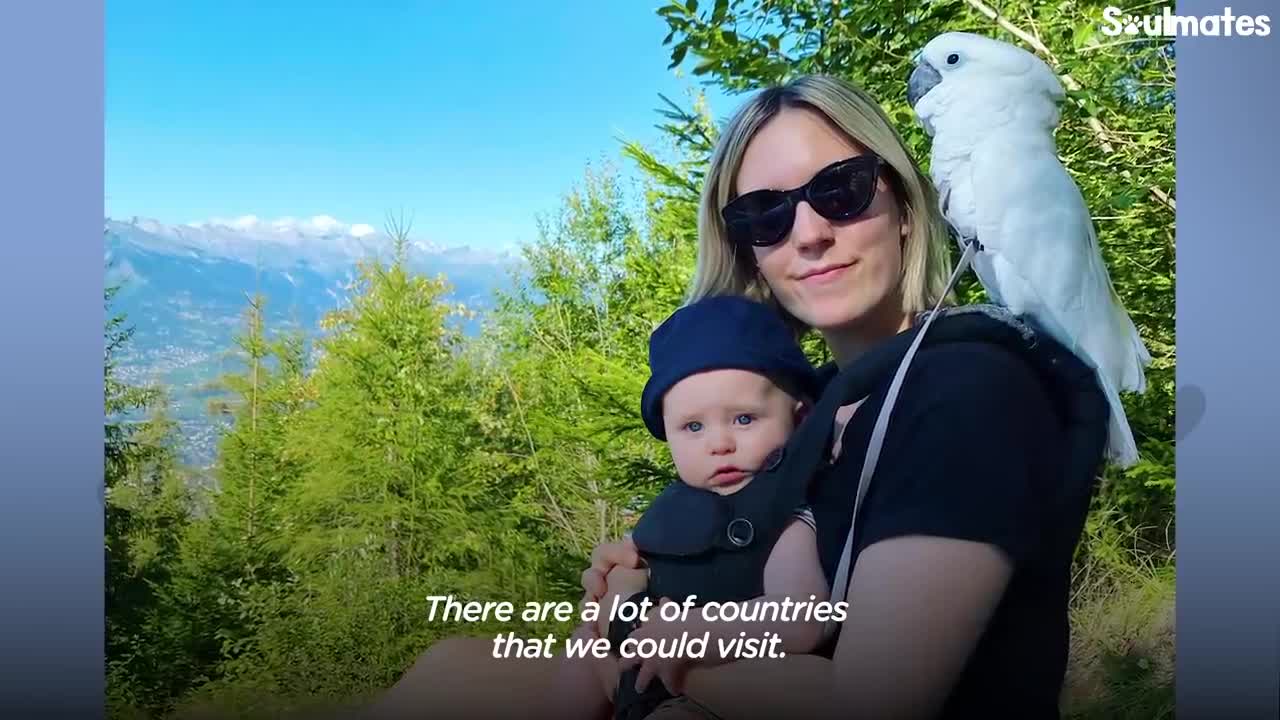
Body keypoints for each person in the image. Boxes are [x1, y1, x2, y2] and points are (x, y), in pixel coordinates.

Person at [361, 73, 1109, 720]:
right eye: (765, 215)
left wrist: (674, 646)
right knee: (448, 670)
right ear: (745, 246)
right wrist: (656, 572)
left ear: (906, 203)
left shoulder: (964, 391)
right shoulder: (819, 406)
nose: (808, 234)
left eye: (841, 191)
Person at [549, 294, 834, 720]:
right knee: (577, 654)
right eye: (693, 427)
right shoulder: (679, 506)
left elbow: (803, 620)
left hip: (715, 692)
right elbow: (636, 561)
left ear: (800, 417)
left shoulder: (784, 520)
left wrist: (694, 631)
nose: (719, 444)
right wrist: (610, 581)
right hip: (640, 668)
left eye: (743, 419)